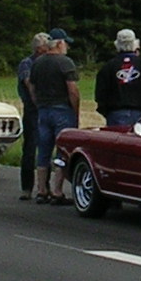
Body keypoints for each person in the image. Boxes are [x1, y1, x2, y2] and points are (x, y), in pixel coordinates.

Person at [27, 30, 81, 203]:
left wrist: (39, 104)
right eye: (66, 43)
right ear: (59, 44)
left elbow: (32, 88)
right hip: (62, 110)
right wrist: (76, 111)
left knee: (43, 150)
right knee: (62, 152)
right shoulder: (65, 62)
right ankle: (58, 191)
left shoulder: (37, 63)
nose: (67, 47)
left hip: (43, 110)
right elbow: (72, 90)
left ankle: (41, 189)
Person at [94, 28, 141, 129]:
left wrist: (106, 111)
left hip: (115, 114)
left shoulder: (108, 67)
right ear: (135, 44)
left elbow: (100, 94)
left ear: (116, 44)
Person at [14, 31, 50, 199]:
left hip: (45, 108)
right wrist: (38, 104)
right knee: (30, 148)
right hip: (32, 111)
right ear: (38, 49)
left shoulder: (47, 63)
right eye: (44, 48)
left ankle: (45, 187)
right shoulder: (27, 64)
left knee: (46, 148)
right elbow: (29, 85)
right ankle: (26, 188)